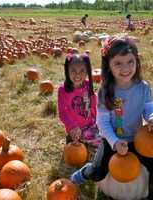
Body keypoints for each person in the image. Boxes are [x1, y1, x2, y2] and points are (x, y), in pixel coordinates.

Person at [70, 36, 153, 199]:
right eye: (118, 63)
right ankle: (85, 172)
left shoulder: (143, 87)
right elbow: (102, 122)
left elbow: (148, 107)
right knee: (99, 171)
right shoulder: (106, 92)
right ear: (108, 65)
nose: (126, 68)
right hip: (111, 140)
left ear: (136, 61)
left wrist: (151, 116)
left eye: (130, 61)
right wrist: (114, 142)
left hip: (137, 139)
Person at [57, 53, 101, 148]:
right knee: (101, 142)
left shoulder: (87, 84)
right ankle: (73, 138)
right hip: (76, 128)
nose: (77, 74)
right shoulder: (63, 90)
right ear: (67, 71)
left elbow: (93, 103)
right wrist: (72, 126)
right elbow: (62, 113)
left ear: (87, 72)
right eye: (73, 71)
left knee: (108, 132)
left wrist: (98, 118)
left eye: (82, 71)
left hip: (91, 122)